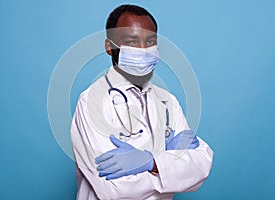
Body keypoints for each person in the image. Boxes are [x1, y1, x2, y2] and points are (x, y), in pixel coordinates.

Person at [71, 4, 213, 200]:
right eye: (132, 42)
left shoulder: (167, 101)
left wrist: (151, 162)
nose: (144, 50)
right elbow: (113, 189)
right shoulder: (91, 101)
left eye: (150, 41)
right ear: (110, 47)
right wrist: (168, 167)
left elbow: (201, 165)